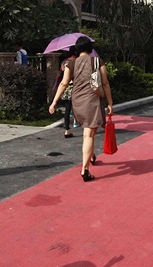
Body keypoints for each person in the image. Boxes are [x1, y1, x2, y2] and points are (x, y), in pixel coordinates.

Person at [48, 36, 113, 182]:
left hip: (77, 101)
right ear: (90, 49)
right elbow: (105, 83)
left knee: (88, 132)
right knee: (89, 134)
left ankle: (90, 154)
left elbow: (64, 84)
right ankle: (85, 169)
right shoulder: (97, 61)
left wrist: (54, 102)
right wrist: (110, 102)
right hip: (93, 100)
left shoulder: (70, 64)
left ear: (77, 49)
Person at [55, 49, 77, 138]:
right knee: (77, 107)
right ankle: (76, 121)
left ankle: (67, 129)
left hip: (66, 88)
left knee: (67, 109)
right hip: (75, 87)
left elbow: (62, 71)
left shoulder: (64, 62)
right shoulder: (77, 62)